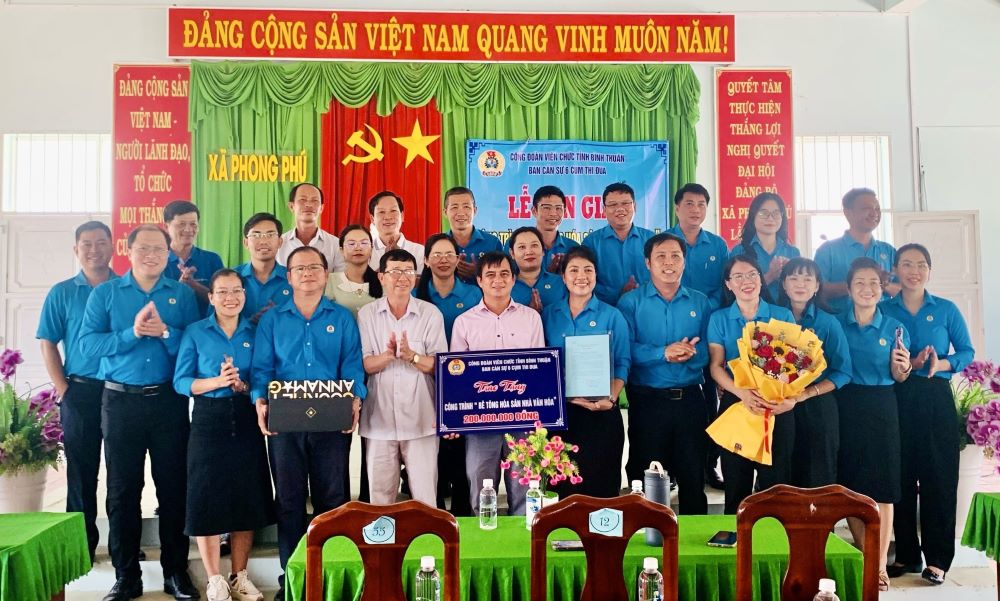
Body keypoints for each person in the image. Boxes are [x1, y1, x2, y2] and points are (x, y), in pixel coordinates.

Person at [78, 224, 201, 601]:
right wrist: (132, 332)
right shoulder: (106, 294)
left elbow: (195, 348)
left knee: (174, 487)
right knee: (122, 490)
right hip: (120, 403)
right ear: (127, 251)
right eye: (144, 248)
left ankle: (176, 573)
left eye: (159, 250)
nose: (152, 255)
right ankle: (126, 574)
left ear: (169, 254)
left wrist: (165, 332)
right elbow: (86, 346)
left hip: (168, 402)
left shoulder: (181, 294)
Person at [251, 246, 366, 601]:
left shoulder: (342, 316)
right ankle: (293, 575)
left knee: (332, 498)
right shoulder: (273, 319)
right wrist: (259, 399)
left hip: (331, 420)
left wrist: (355, 396)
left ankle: (329, 571)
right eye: (299, 268)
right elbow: (262, 368)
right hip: (285, 422)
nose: (307, 274)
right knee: (288, 500)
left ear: (324, 273)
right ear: (288, 277)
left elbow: (352, 364)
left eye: (314, 267)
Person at [173, 269, 273, 601]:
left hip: (246, 416)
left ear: (244, 296)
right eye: (222, 292)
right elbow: (181, 381)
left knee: (246, 494)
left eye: (236, 291)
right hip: (208, 419)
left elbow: (262, 374)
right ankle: (215, 579)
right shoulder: (196, 332)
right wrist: (217, 382)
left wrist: (248, 387)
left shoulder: (255, 331)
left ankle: (239, 575)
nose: (230, 298)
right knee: (206, 496)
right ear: (211, 297)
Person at [881, 244, 974, 585]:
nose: (914, 270)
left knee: (939, 478)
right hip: (897, 396)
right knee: (900, 475)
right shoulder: (884, 310)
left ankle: (938, 558)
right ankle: (906, 553)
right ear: (896, 269)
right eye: (906, 264)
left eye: (921, 264)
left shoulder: (946, 310)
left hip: (935, 396)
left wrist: (941, 364)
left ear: (929, 271)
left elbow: (966, 351)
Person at [37, 220, 117, 563]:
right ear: (76, 250)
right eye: (87, 244)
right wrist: (63, 390)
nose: (94, 249)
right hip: (80, 391)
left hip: (120, 392)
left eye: (101, 243)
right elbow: (48, 342)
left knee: (121, 472)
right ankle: (82, 546)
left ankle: (122, 545)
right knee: (82, 472)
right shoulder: (62, 292)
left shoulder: (126, 288)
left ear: (113, 247)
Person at [618, 233, 713, 514]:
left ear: (685, 261)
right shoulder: (631, 303)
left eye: (676, 256)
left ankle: (693, 546)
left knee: (693, 475)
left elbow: (712, 349)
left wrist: (692, 354)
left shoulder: (700, 302)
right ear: (648, 263)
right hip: (648, 401)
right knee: (645, 475)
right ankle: (646, 541)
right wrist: (663, 353)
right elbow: (625, 351)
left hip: (691, 401)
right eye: (661, 256)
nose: (668, 263)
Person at [836, 257, 912, 591]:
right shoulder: (836, 323)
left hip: (882, 406)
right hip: (845, 405)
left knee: (883, 487)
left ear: (882, 289)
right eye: (860, 283)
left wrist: (903, 368)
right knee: (851, 485)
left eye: (874, 284)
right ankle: (865, 554)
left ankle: (879, 564)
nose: (867, 290)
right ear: (849, 289)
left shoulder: (895, 328)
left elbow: (900, 376)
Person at [451, 251, 544, 515]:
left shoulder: (531, 318)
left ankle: (526, 547)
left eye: (504, 274)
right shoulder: (464, 323)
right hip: (479, 423)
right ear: (479, 280)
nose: (498, 281)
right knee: (481, 488)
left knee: (527, 491)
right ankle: (484, 543)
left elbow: (539, 371)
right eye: (490, 275)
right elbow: (457, 378)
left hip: (525, 420)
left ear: (514, 279)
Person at [707, 255, 796, 514]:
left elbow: (795, 366)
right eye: (738, 276)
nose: (746, 281)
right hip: (737, 404)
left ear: (760, 279)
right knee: (736, 483)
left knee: (776, 485)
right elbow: (716, 367)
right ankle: (735, 548)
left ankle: (772, 546)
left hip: (776, 405)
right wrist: (742, 394)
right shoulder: (719, 319)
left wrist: (786, 398)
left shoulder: (782, 315)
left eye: (752, 275)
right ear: (728, 284)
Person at [358, 249, 447, 506]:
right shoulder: (367, 314)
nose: (402, 278)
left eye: (408, 272)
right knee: (380, 497)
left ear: (416, 277)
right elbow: (365, 364)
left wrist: (412, 357)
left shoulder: (430, 314)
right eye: (395, 271)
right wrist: (388, 356)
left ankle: (428, 545)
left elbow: (442, 366)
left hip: (422, 418)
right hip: (379, 420)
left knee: (425, 498)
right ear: (381, 277)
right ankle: (384, 548)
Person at [541, 246, 630, 498]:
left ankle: (601, 538)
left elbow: (623, 363)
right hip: (560, 415)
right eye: (574, 270)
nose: (581, 276)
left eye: (588, 270)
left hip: (601, 412)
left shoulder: (613, 316)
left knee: (601, 483)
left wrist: (610, 398)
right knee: (561, 488)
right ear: (563, 276)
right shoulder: (548, 315)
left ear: (596, 275)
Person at [666, 183, 730, 489]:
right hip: (669, 329)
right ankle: (671, 470)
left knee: (708, 406)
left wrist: (704, 308)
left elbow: (724, 287)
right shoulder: (663, 242)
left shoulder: (717, 245)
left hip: (707, 331)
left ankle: (708, 464)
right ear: (677, 208)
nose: (695, 209)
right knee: (667, 407)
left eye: (701, 204)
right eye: (689, 203)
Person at [414, 234, 483, 515]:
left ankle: (463, 511)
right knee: (431, 448)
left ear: (458, 259)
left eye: (449, 254)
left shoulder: (473, 294)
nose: (443, 260)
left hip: (465, 385)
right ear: (426, 260)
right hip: (423, 380)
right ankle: (435, 511)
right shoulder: (416, 294)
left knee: (461, 448)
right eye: (436, 255)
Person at [774, 258, 852, 488]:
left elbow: (843, 371)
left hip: (817, 404)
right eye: (794, 278)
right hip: (779, 404)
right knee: (782, 472)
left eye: (808, 279)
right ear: (784, 284)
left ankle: (818, 524)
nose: (801, 284)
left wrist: (807, 393)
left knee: (819, 472)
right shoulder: (771, 318)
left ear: (817, 286)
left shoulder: (828, 323)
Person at [814, 187, 898, 314]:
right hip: (840, 326)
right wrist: (859, 284)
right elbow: (817, 290)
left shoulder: (888, 251)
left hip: (881, 326)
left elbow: (904, 291)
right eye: (866, 209)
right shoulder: (828, 251)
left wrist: (883, 284)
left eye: (877, 209)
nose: (874, 213)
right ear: (848, 213)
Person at [581, 182, 654, 306]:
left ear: (634, 206)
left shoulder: (652, 239)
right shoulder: (591, 242)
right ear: (604, 210)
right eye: (613, 204)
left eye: (625, 203)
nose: (620, 209)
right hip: (605, 311)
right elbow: (585, 280)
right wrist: (618, 294)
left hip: (647, 308)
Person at [730, 192, 801, 300]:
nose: (770, 219)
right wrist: (770, 275)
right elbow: (733, 291)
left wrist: (788, 276)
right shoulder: (739, 251)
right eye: (764, 213)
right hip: (751, 315)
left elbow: (799, 290)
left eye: (776, 214)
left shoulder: (792, 252)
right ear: (753, 216)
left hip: (785, 315)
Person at [162, 200, 224, 314]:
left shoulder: (212, 260)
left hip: (206, 328)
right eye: (181, 224)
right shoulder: (158, 261)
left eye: (193, 224)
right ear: (166, 226)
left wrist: (194, 285)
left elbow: (223, 301)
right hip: (169, 328)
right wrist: (179, 288)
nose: (188, 229)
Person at [234, 212, 291, 324]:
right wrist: (250, 321)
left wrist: (279, 317)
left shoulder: (293, 278)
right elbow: (218, 322)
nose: (263, 241)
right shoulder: (231, 277)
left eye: (270, 235)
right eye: (256, 235)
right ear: (245, 243)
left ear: (280, 242)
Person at [507, 185, 579, 273]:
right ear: (534, 211)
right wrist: (549, 275)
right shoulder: (515, 243)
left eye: (558, 208)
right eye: (546, 208)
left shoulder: (573, 248)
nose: (553, 213)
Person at [275, 183, 346, 272]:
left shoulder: (335, 245)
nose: (309, 204)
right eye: (303, 200)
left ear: (321, 208)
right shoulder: (278, 245)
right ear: (291, 206)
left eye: (315, 200)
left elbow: (339, 281)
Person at [442, 186, 503, 283]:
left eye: (466, 207)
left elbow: (503, 278)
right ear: (445, 212)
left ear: (475, 210)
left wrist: (479, 273)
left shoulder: (493, 243)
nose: (461, 213)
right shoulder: (438, 245)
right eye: (454, 207)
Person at [325, 224, 383, 319]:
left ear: (371, 249)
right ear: (341, 250)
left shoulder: (383, 280)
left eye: (364, 243)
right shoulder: (330, 280)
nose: (358, 248)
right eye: (351, 244)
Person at [508, 226, 568, 312]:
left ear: (543, 250)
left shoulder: (561, 282)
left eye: (534, 245)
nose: (529, 252)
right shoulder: (506, 286)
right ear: (512, 253)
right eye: (522, 247)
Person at [367, 191, 425, 274]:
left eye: (393, 210)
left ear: (402, 216)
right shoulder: (365, 251)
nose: (388, 217)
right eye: (381, 212)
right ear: (372, 219)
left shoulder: (420, 251)